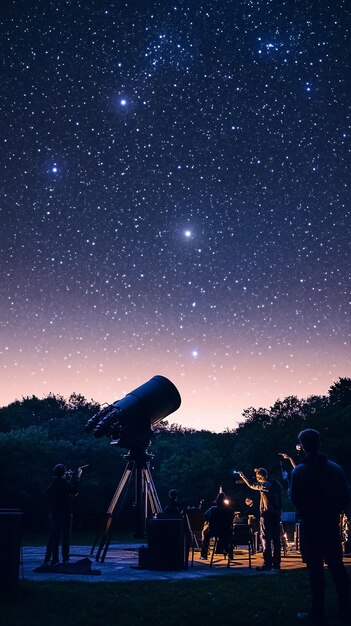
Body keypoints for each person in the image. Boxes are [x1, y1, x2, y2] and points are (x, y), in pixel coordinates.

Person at [290, 429, 351, 624]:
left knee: (315, 570)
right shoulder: (335, 468)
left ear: (303, 446)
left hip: (311, 525)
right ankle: (345, 608)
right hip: (331, 524)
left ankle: (318, 611)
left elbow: (295, 498)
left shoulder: (299, 471)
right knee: (337, 567)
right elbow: (344, 496)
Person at [238, 467, 282, 571]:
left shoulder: (265, 485)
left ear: (260, 477)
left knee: (265, 538)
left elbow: (251, 485)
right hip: (277, 514)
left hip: (267, 514)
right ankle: (276, 564)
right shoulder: (277, 484)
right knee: (276, 539)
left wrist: (243, 476)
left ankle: (267, 564)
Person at [44, 463, 82, 565]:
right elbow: (74, 491)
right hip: (65, 512)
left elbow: (62, 491)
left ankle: (52, 559)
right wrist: (78, 476)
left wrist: (66, 479)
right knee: (66, 536)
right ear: (63, 472)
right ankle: (65, 558)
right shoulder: (63, 483)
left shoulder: (53, 484)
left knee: (54, 536)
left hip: (55, 513)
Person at [200, 492, 234, 560]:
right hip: (226, 531)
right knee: (229, 535)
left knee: (205, 533)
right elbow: (231, 519)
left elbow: (205, 516)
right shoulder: (229, 510)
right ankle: (230, 554)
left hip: (214, 531)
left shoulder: (212, 509)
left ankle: (204, 554)